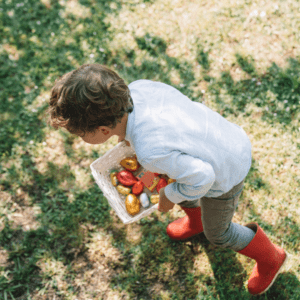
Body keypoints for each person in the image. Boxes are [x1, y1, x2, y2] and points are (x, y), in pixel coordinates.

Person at [47, 63, 289, 295]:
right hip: (221, 139)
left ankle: (271, 258)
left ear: (103, 130)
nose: (80, 138)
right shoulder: (138, 89)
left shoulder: (150, 152)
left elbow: (203, 177)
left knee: (217, 232)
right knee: (172, 177)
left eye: (80, 134)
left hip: (226, 172)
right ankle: (197, 221)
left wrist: (168, 196)